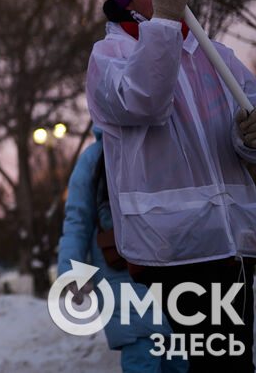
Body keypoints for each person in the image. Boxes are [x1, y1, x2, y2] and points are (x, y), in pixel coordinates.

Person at [87, 0, 256, 370]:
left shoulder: (215, 55)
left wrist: (254, 136)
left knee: (229, 362)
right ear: (127, 4)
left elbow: (244, 134)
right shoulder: (109, 55)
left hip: (230, 240)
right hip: (173, 246)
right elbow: (143, 101)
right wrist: (164, 23)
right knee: (219, 364)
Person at [57, 127, 183, 372]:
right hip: (124, 281)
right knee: (144, 357)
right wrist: (71, 271)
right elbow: (77, 219)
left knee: (178, 361)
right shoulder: (96, 157)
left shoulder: (170, 142)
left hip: (172, 276)